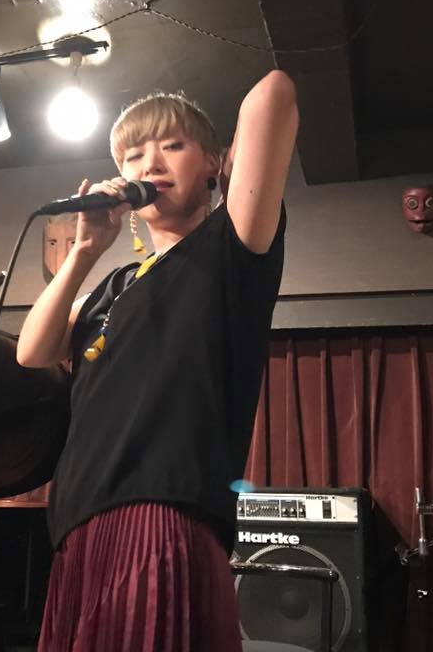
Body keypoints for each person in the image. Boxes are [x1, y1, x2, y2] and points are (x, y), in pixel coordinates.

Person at [17, 69, 299, 651]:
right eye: (134, 155)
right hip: (79, 523)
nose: (150, 164)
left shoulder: (228, 247)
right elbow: (33, 350)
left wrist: (231, 172)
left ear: (212, 161)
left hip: (162, 511)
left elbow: (272, 91)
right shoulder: (115, 284)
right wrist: (84, 251)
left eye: (172, 145)